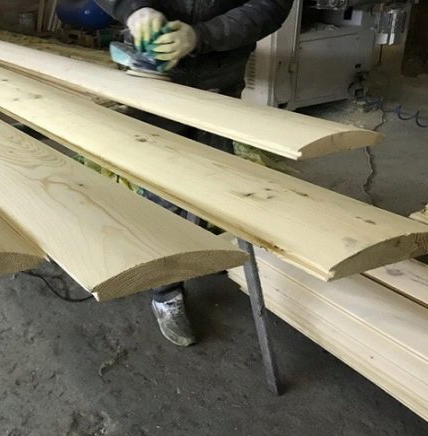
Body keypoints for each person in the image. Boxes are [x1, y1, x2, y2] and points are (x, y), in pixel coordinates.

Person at [97, 0, 294, 347]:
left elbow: (271, 4)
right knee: (160, 190)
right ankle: (166, 291)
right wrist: (133, 8)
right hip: (152, 72)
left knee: (216, 180)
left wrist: (202, 35)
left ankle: (200, 249)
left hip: (218, 74)